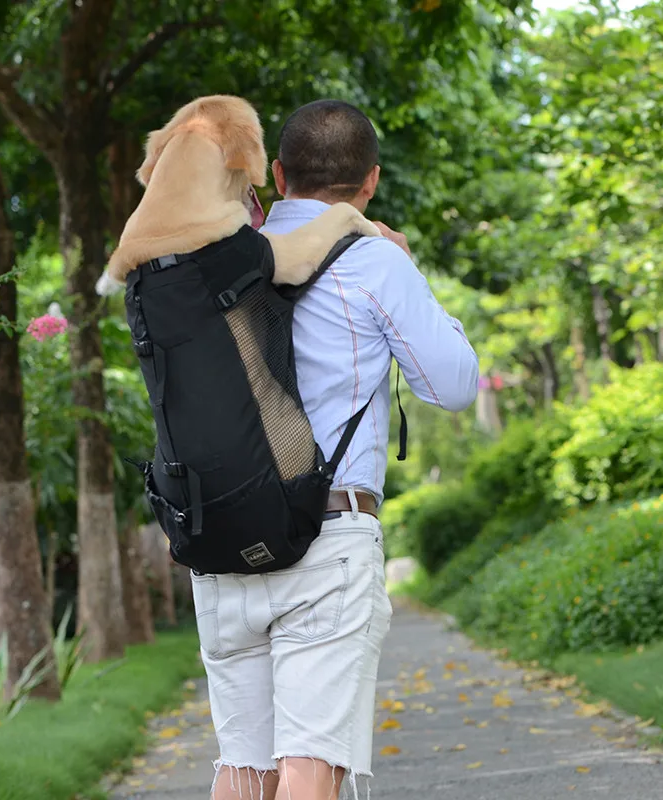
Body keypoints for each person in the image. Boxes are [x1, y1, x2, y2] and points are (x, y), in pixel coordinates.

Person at [201, 99, 479, 800]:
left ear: (278, 172)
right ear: (371, 182)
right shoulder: (374, 261)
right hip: (328, 537)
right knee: (308, 764)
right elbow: (452, 385)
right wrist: (408, 270)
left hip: (222, 538)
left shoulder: (217, 260)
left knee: (243, 766)